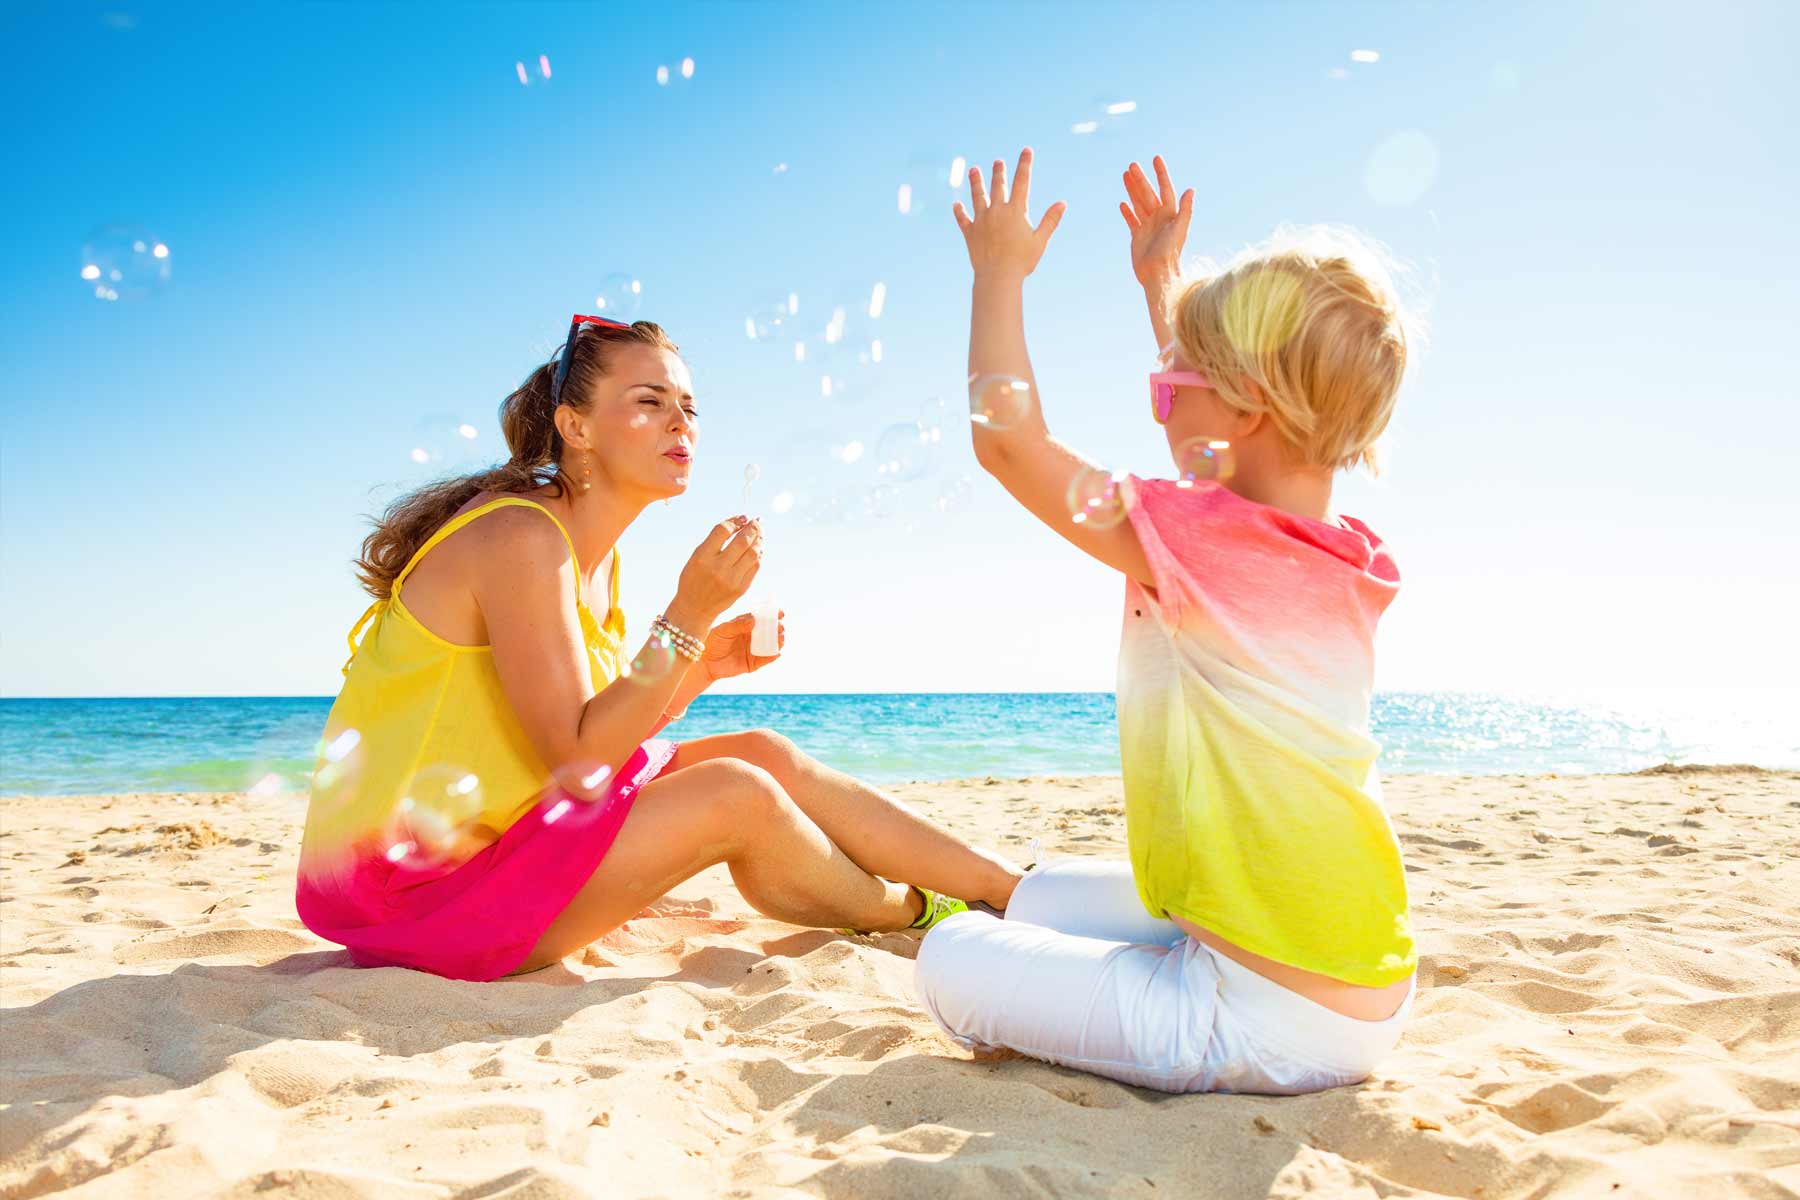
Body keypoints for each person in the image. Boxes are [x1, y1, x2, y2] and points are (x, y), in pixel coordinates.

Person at [296, 314, 1022, 982]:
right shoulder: (519, 539)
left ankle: (1005, 888)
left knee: (761, 750)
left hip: (500, 844)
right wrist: (687, 611)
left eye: (689, 407)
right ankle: (915, 911)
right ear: (575, 426)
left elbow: (603, 733)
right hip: (418, 898)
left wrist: (701, 661)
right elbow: (578, 759)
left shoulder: (589, 553)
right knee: (738, 795)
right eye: (650, 401)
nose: (682, 422)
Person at [915, 150, 1418, 1094]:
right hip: (1367, 980)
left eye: (1164, 388)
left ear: (1248, 410)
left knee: (951, 958)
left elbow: (1008, 444)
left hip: (1261, 1016)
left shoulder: (1193, 539)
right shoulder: (1349, 553)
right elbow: (1230, 431)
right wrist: (1164, 286)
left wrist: (998, 273)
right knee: (1044, 893)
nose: (1157, 405)